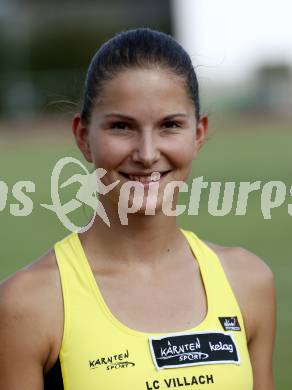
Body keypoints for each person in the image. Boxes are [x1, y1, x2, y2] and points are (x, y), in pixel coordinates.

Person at [0, 28, 276, 390]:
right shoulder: (27, 304)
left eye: (170, 126)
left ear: (198, 134)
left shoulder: (248, 282)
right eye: (121, 126)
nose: (147, 154)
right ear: (83, 137)